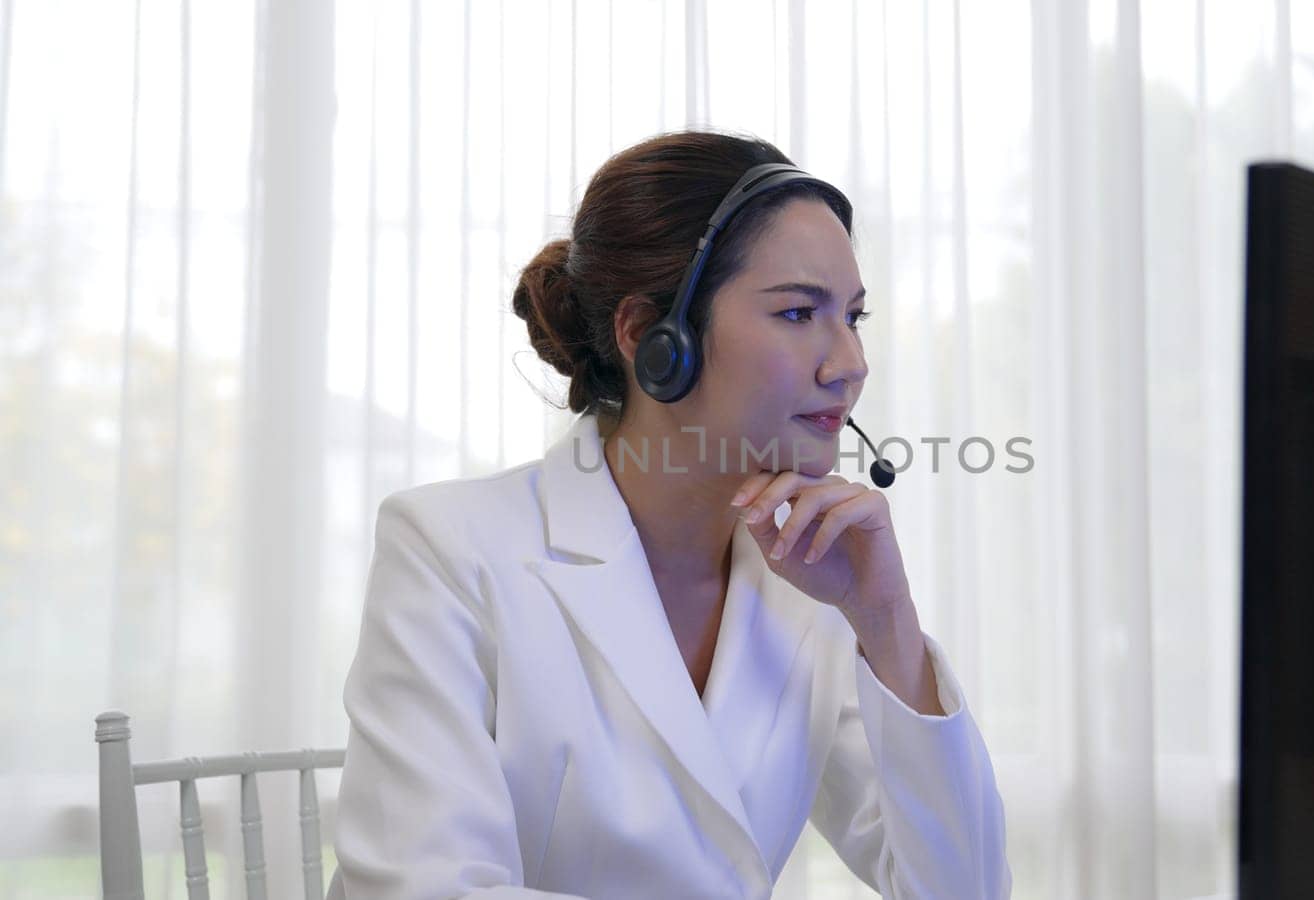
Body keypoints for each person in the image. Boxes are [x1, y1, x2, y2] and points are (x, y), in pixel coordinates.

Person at [326, 130, 1010, 899]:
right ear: (652, 339)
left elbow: (964, 889)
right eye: (796, 313)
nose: (848, 362)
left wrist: (886, 622)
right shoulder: (451, 549)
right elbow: (420, 889)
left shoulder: (808, 580)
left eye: (853, 316)